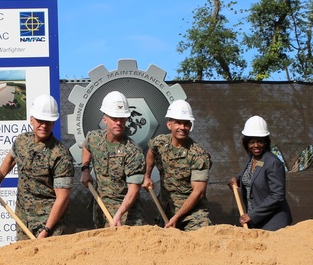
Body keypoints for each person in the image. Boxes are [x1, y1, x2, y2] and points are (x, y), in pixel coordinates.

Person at [0, 95, 74, 240]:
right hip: (23, 219)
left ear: (53, 123)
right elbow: (10, 159)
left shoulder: (60, 155)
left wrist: (46, 230)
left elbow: (62, 198)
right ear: (31, 119)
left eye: (48, 122)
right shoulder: (21, 141)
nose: (44, 126)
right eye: (40, 121)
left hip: (49, 224)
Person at [79, 91, 146, 227]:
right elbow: (86, 146)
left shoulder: (133, 151)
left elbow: (133, 190)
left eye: (122, 119)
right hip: (101, 208)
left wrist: (119, 215)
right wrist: (85, 170)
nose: (118, 123)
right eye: (114, 118)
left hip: (127, 214)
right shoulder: (94, 138)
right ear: (105, 119)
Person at [142, 99, 211, 230]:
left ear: (190, 126)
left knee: (200, 242)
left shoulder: (198, 155)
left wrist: (177, 217)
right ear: (169, 125)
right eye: (178, 123)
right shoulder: (160, 142)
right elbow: (151, 152)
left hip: (192, 214)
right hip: (166, 208)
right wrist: (147, 175)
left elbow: (198, 192)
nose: (182, 127)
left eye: (186, 124)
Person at [228, 116, 292, 231]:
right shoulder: (252, 158)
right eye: (252, 142)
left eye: (260, 141)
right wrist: (237, 178)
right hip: (256, 223)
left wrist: (251, 215)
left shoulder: (273, 163)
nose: (256, 145)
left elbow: (277, 196)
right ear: (246, 143)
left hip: (273, 225)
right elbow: (251, 175)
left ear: (266, 142)